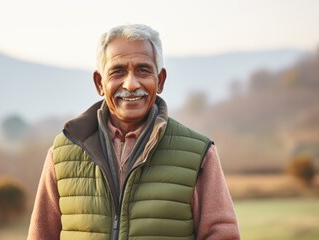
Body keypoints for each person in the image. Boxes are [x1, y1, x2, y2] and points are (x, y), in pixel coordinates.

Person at [28, 24, 240, 240]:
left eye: (143, 70)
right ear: (99, 82)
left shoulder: (199, 155)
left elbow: (222, 235)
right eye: (118, 71)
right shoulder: (62, 154)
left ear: (161, 80)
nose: (130, 84)